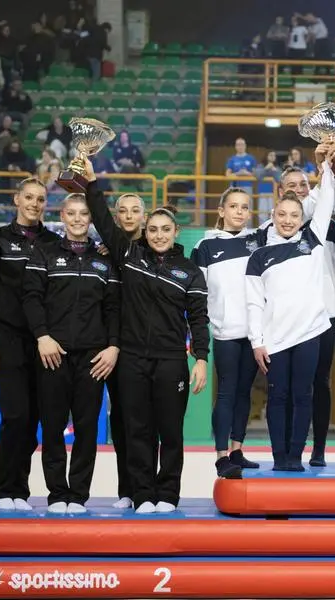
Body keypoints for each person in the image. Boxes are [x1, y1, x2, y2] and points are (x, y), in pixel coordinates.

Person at [82, 159, 210, 514]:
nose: (157, 235)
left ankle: (167, 494)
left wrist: (201, 358)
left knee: (169, 432)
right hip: (133, 360)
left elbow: (199, 319)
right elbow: (104, 222)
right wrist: (92, 184)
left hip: (171, 361)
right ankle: (142, 494)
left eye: (164, 229)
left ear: (175, 231)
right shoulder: (130, 257)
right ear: (145, 230)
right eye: (152, 229)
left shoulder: (189, 272)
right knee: (136, 431)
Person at [21, 193, 120, 514]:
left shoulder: (104, 260)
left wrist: (113, 346)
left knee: (87, 429)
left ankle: (77, 495)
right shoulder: (44, 253)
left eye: (84, 214)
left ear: (91, 219)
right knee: (51, 427)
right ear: (62, 216)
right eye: (72, 213)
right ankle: (56, 494)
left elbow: (114, 309)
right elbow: (31, 298)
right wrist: (42, 337)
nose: (78, 219)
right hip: (53, 353)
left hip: (93, 359)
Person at [246, 154, 335, 471]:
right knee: (278, 396)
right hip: (275, 340)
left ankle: (295, 456)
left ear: (302, 217)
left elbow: (326, 201)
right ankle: (279, 456)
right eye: (281, 214)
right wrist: (257, 341)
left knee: (303, 395)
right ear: (273, 214)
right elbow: (254, 303)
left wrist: (325, 168)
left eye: (294, 215)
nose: (287, 220)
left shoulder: (313, 241)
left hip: (309, 334)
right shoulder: (259, 255)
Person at [0, 178, 60, 511]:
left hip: (43, 343)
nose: (34, 203)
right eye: (28, 197)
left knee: (35, 419)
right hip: (7, 340)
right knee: (16, 416)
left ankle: (19, 491)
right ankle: (6, 489)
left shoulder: (54, 243)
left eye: (40, 199)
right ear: (16, 199)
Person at [274, 164, 335, 468]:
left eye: (303, 184)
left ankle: (318, 447)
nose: (297, 189)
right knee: (290, 384)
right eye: (290, 185)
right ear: (281, 192)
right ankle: (290, 448)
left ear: (311, 188)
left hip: (326, 313)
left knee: (319, 382)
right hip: (289, 317)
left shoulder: (327, 226)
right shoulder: (277, 226)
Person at [191, 188, 267, 477]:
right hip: (225, 333)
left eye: (244, 207)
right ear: (221, 211)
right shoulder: (206, 246)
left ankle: (237, 449)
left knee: (244, 393)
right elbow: (198, 295)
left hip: (254, 334)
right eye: (233, 206)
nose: (239, 212)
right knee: (226, 392)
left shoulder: (258, 241)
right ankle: (222, 455)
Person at [106, 192, 149, 510]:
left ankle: (151, 490)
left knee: (147, 423)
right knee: (121, 422)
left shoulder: (157, 251)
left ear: (144, 217)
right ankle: (127, 490)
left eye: (136, 210)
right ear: (116, 216)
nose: (130, 215)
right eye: (123, 211)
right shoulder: (105, 251)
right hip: (110, 347)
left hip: (144, 349)